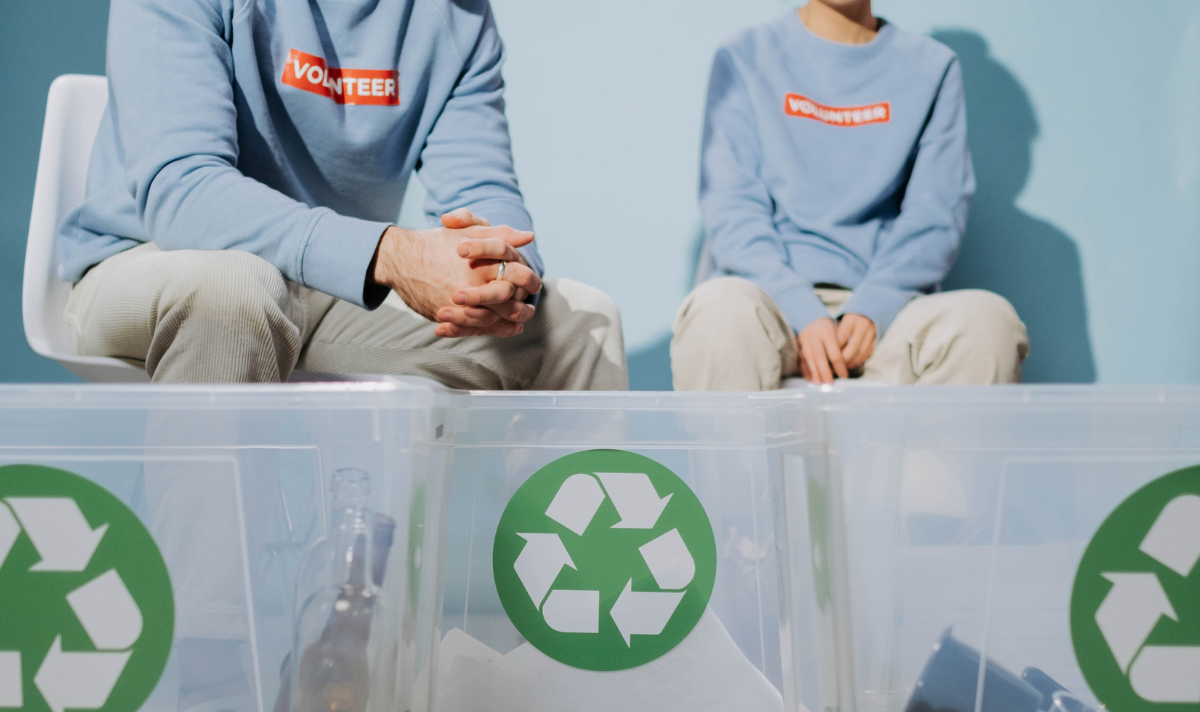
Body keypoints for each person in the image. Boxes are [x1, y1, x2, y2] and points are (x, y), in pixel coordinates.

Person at [59, 0, 626, 391]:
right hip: (152, 265)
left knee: (579, 325)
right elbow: (182, 191)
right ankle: (210, 544)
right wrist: (390, 255)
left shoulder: (458, 16)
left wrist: (500, 275)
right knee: (235, 286)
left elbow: (481, 189)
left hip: (330, 291)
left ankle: (557, 536)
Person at [671, 0, 1028, 391]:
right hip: (769, 306)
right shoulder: (743, 57)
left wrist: (876, 304)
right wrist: (801, 309)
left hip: (890, 315)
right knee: (718, 311)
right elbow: (732, 208)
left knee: (987, 322)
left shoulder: (933, 68)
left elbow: (937, 214)